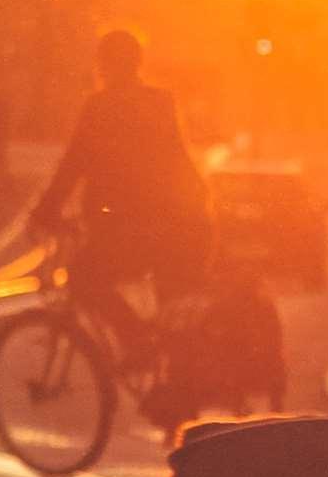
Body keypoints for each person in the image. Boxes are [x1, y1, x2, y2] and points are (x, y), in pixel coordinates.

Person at [29, 29, 212, 356]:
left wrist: (44, 212)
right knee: (172, 310)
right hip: (172, 228)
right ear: (138, 64)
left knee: (83, 278)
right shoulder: (160, 102)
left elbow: (72, 167)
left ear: (104, 65)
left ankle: (136, 340)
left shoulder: (99, 107)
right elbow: (180, 160)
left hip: (122, 230)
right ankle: (169, 371)